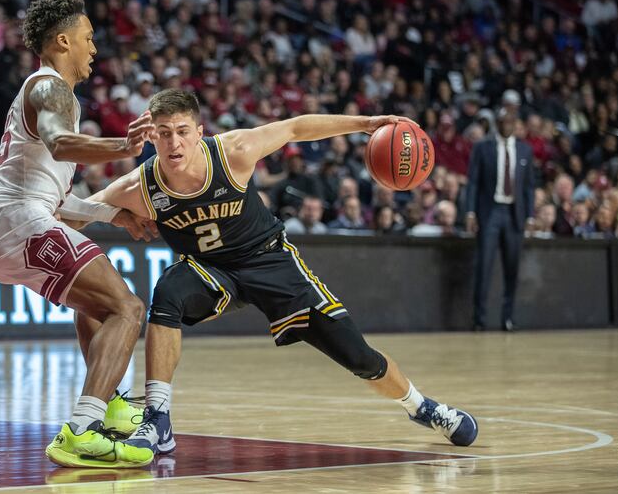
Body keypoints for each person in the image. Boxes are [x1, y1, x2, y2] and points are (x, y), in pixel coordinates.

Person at [91, 89, 479, 457]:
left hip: (269, 261)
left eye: (181, 132)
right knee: (168, 291)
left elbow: (296, 127)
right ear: (150, 137)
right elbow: (72, 209)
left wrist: (365, 123)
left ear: (199, 132)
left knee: (360, 358)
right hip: (211, 271)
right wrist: (113, 214)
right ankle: (158, 419)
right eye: (163, 134)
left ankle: (420, 406)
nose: (174, 143)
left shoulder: (234, 151)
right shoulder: (141, 185)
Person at [0, 0, 157, 469]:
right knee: (127, 307)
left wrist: (116, 215)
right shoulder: (51, 89)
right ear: (63, 40)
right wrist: (123, 144)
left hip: (7, 225)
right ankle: (81, 429)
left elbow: (50, 197)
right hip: (18, 223)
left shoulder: (46, 91)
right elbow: (61, 143)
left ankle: (110, 403)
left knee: (94, 304)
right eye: (89, 38)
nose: (94, 48)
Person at [466, 109, 534, 332]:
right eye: (503, 120)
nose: (507, 124)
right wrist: (470, 212)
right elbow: (473, 182)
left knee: (512, 269)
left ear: (516, 124)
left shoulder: (525, 149)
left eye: (511, 121)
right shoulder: (482, 147)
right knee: (484, 267)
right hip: (490, 211)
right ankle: (479, 319)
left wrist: (531, 215)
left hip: (515, 213)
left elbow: (529, 187)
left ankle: (508, 318)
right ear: (497, 122)